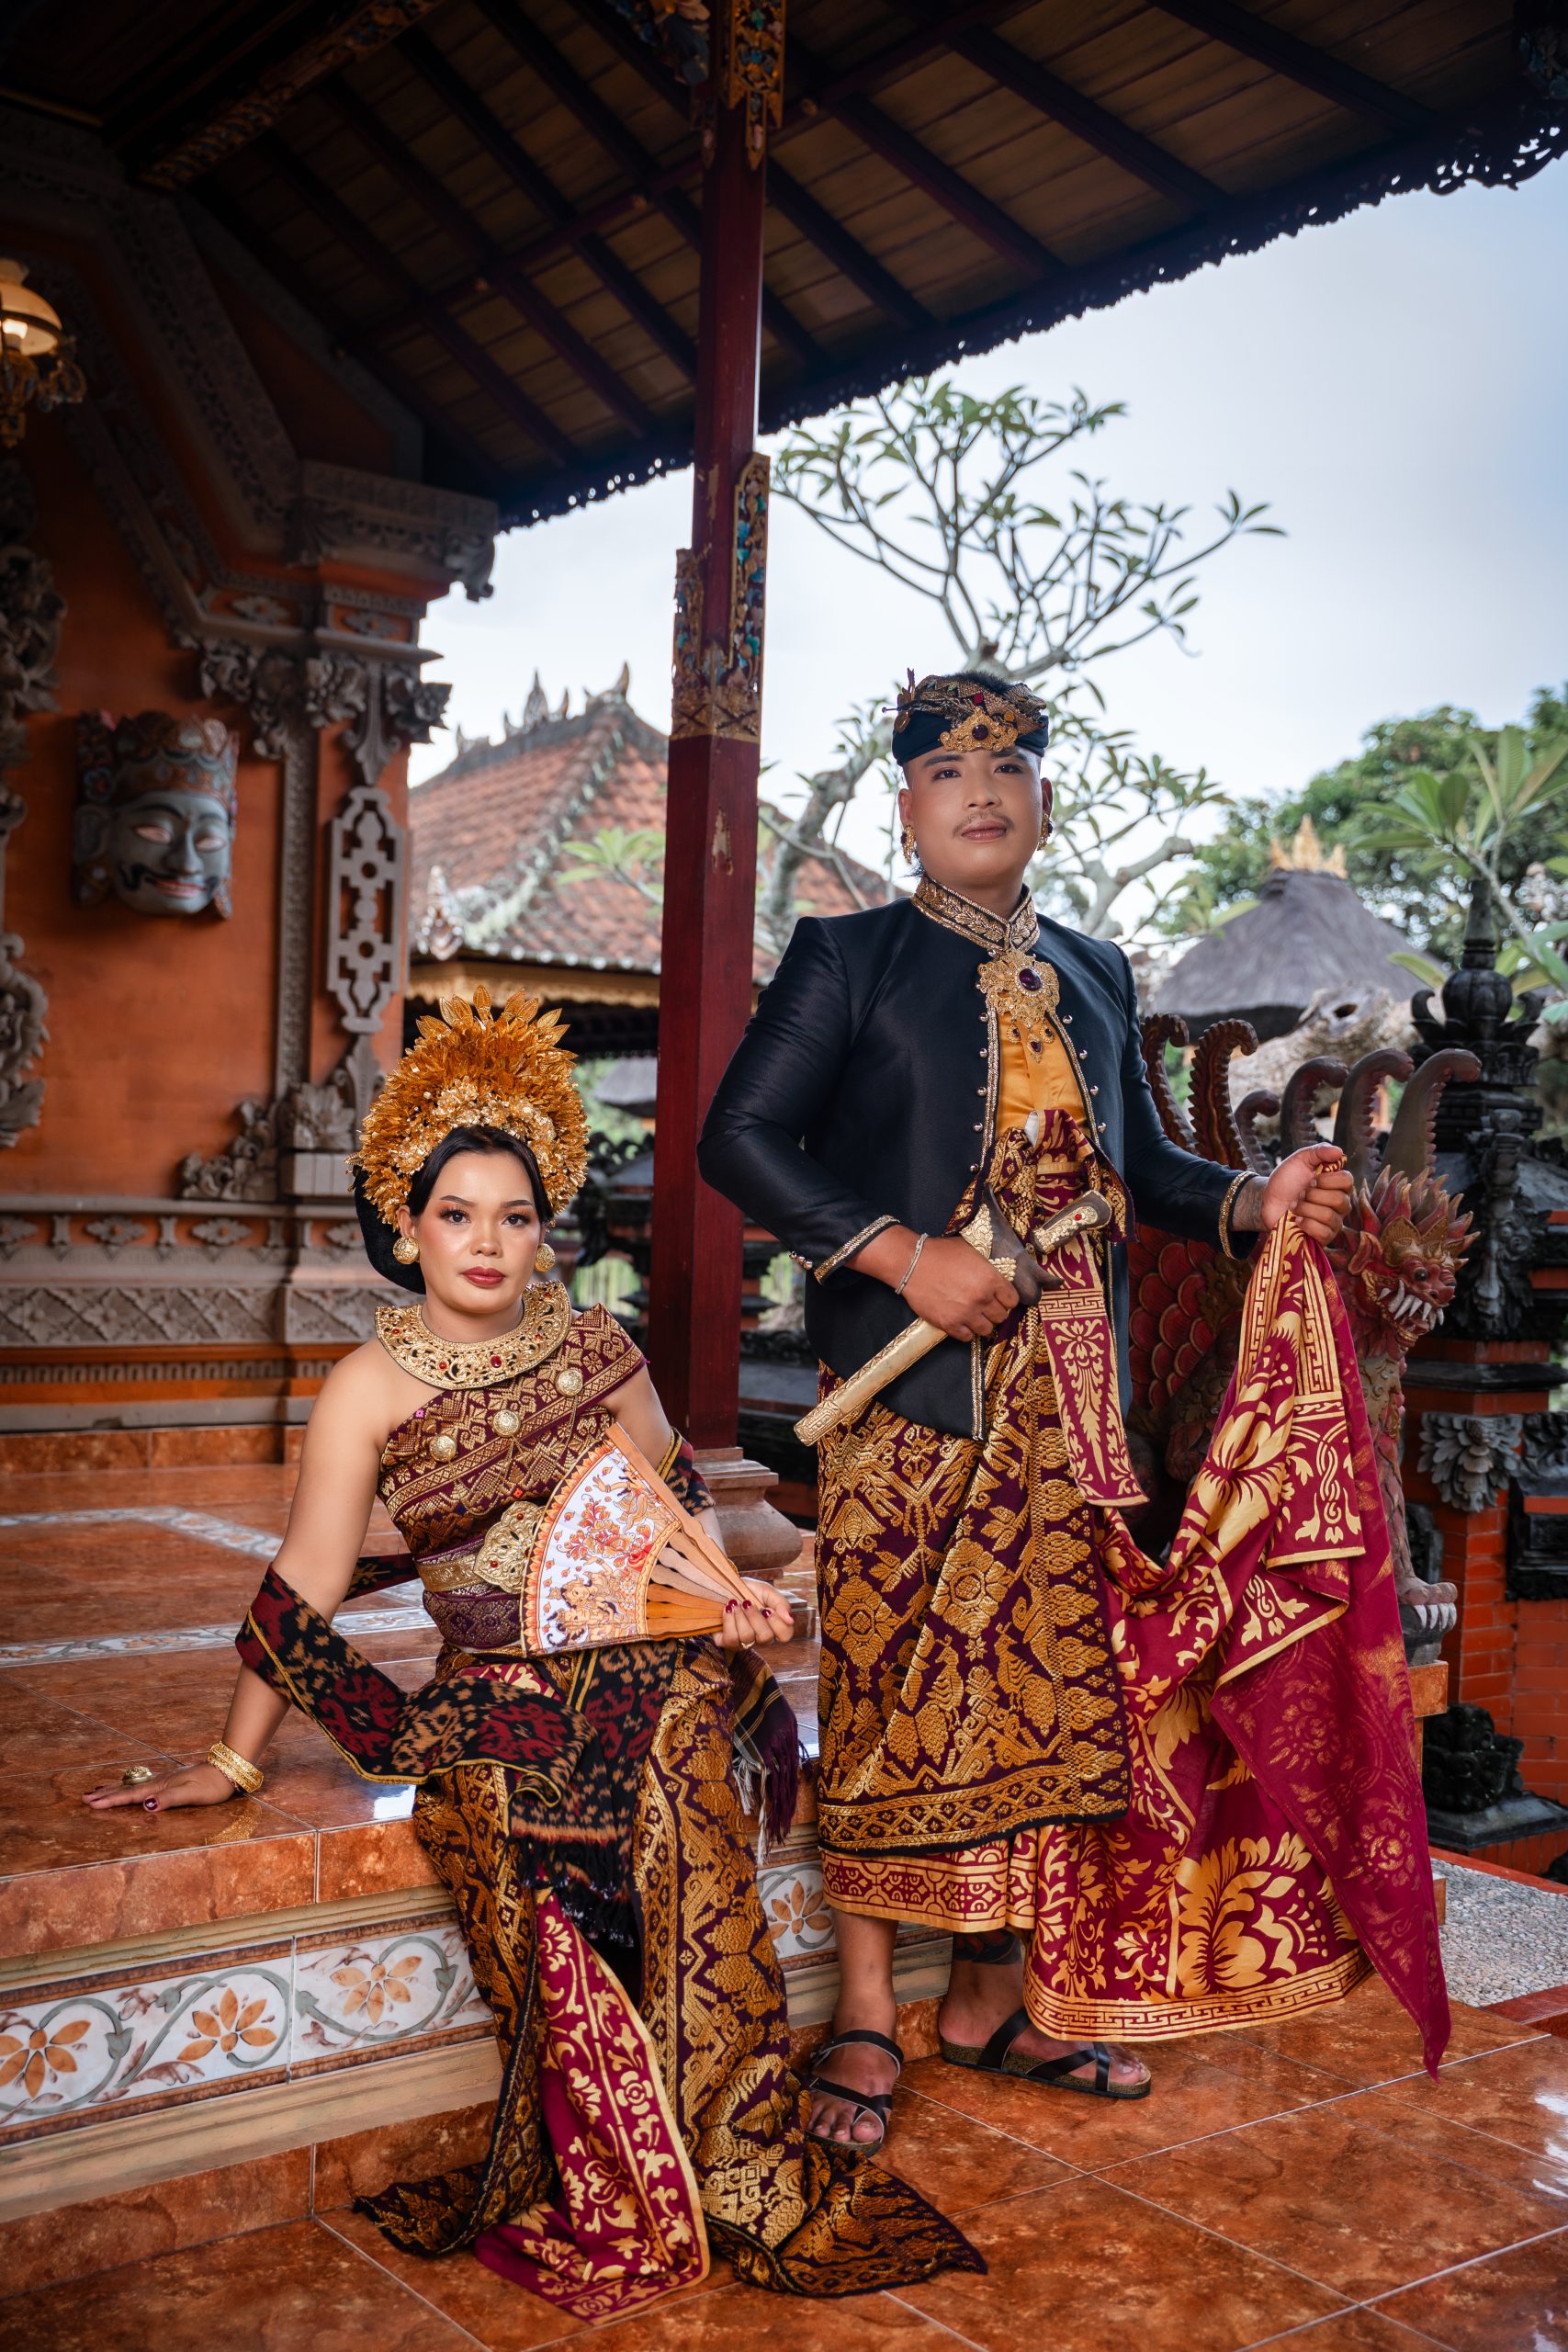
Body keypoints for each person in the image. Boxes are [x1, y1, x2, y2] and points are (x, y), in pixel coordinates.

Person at [85, 988, 981, 2317]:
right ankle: (624, 2148)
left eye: (515, 1217)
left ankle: (733, 2153)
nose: (488, 1244)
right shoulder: (367, 1388)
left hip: (648, 1663)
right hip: (494, 1696)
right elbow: (308, 1583)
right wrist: (232, 1758)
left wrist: (727, 1601)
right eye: (457, 1215)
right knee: (532, 1806)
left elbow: (672, 1515)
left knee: (676, 1779)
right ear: (407, 1225)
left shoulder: (599, 1348)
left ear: (543, 1226)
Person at [699, 670, 1448, 2154]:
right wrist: (902, 1253)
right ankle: (867, 2012)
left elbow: (1148, 1174)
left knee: (1056, 1707)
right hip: (911, 1404)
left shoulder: (1098, 970)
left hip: (1077, 1414)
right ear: (905, 810)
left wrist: (1257, 1198)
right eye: (947, 772)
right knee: (896, 1701)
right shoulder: (849, 957)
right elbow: (741, 1137)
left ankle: (995, 2003)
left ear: (1043, 802)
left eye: (1009, 770)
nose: (980, 792)